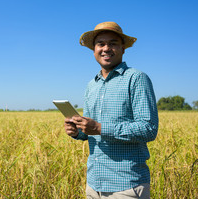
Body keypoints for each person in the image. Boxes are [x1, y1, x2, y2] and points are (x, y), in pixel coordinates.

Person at [64, 21, 158, 199]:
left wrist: (100, 128)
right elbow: (91, 131)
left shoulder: (136, 79)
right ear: (94, 50)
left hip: (126, 185)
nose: (106, 48)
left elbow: (149, 129)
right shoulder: (91, 85)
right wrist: (78, 132)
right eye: (101, 44)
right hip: (94, 184)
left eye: (113, 43)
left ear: (123, 49)